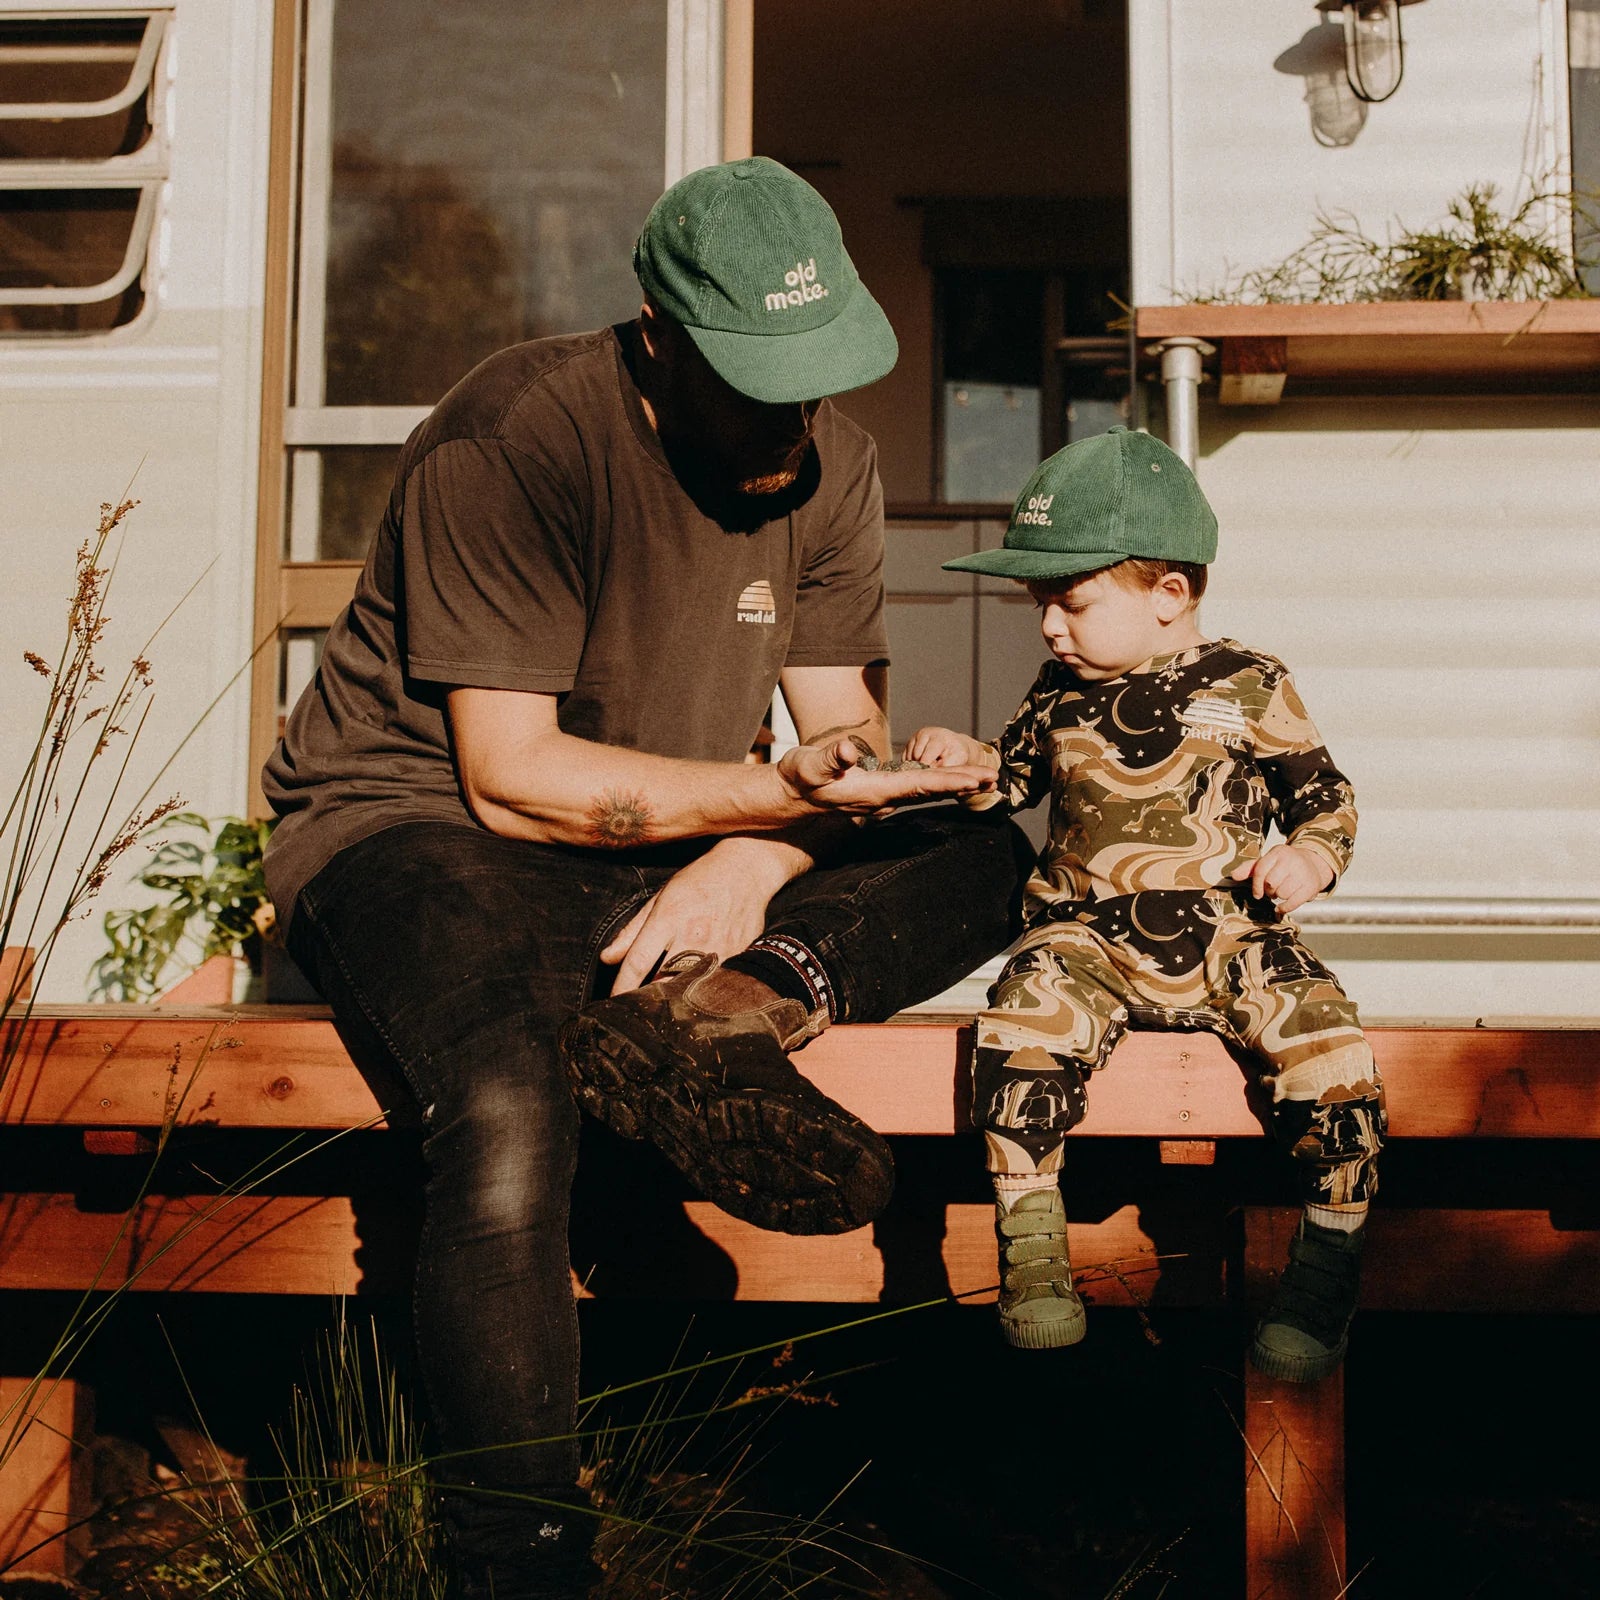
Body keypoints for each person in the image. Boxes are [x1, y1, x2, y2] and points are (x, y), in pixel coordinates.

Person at [262, 155, 1031, 1600]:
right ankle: (522, 1560)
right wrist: (768, 805)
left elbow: (836, 732)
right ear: (657, 337)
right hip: (417, 830)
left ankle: (721, 1013)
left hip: (662, 848)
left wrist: (768, 846)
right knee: (503, 1096)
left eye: (815, 377)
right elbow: (512, 778)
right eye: (756, 380)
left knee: (984, 849)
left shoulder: (836, 469)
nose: (791, 419)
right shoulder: (517, 436)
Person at [905, 427, 1386, 1381]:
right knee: (1019, 1022)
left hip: (1228, 931)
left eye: (1072, 602)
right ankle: (1034, 1249)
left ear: (1170, 596)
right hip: (1085, 933)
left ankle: (1327, 1267)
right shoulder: (1057, 692)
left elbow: (1326, 796)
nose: (1049, 626)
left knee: (1331, 1043)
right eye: (1041, 604)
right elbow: (1010, 782)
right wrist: (964, 766)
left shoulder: (1250, 683)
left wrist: (1310, 860)